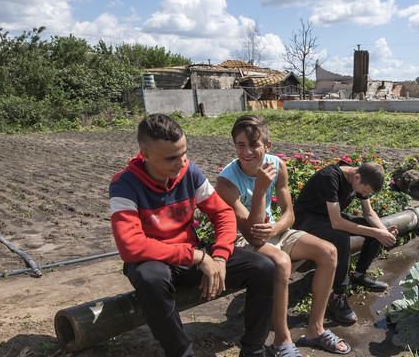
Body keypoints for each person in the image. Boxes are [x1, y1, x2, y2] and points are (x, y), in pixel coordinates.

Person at [109, 113, 274, 357]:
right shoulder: (124, 184)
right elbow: (131, 246)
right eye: (171, 158)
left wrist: (219, 257)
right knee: (151, 279)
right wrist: (198, 257)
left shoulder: (188, 171)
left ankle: (253, 350)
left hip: (192, 253)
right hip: (154, 260)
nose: (181, 162)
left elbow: (223, 215)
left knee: (263, 267)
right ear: (146, 154)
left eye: (184, 153)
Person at [215, 115, 350, 356]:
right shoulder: (226, 181)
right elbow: (251, 235)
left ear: (267, 146)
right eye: (240, 145)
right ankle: (282, 339)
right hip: (240, 238)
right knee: (281, 261)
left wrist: (276, 229)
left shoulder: (277, 164)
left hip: (272, 230)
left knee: (329, 251)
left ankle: (315, 330)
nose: (246, 152)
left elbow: (290, 213)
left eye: (254, 144)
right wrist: (259, 188)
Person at [292, 159, 398, 324]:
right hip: (305, 220)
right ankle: (337, 296)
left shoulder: (361, 178)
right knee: (340, 236)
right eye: (363, 191)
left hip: (326, 217)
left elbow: (368, 213)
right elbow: (337, 223)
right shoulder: (329, 177)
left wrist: (383, 232)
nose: (363, 194)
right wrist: (376, 232)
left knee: (375, 228)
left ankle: (360, 274)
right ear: (356, 177)